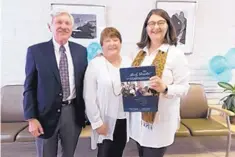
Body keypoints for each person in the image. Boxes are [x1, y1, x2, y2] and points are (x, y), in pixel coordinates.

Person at [23, 9, 87, 157]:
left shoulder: (81, 51)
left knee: (69, 154)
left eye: (67, 23)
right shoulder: (36, 51)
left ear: (72, 28)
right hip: (44, 116)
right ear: (49, 26)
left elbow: (85, 82)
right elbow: (29, 87)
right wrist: (31, 118)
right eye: (59, 22)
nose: (63, 26)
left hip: (72, 113)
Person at [129, 9, 190, 157]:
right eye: (151, 23)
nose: (155, 27)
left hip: (160, 122)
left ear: (168, 26)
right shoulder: (139, 53)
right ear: (146, 28)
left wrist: (165, 88)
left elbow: (184, 88)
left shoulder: (176, 54)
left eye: (160, 22)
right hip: (138, 120)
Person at [83, 27, 131, 157]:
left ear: (120, 43)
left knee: (118, 152)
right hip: (105, 120)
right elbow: (89, 97)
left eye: (115, 40)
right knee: (105, 153)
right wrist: (97, 122)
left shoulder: (128, 62)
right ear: (102, 45)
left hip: (124, 118)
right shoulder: (95, 64)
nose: (112, 43)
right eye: (108, 40)